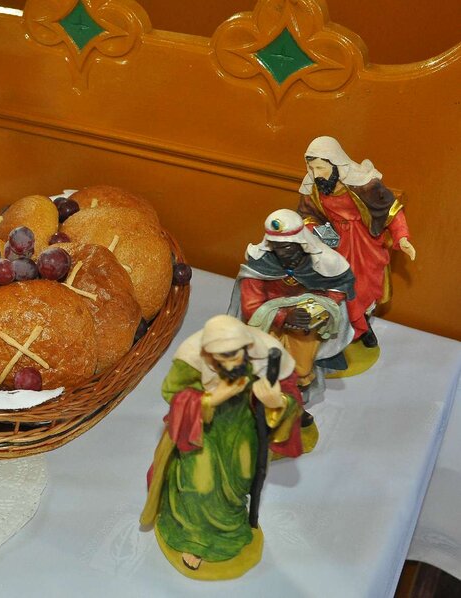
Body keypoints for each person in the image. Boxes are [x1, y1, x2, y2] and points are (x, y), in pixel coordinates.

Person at [140, 315, 303, 577]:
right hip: (200, 434)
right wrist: (211, 399)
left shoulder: (262, 359)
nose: (231, 363)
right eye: (222, 357)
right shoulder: (191, 361)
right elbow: (172, 394)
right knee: (200, 486)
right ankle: (195, 539)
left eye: (235, 355)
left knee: (241, 483)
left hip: (241, 431)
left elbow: (288, 395)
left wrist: (277, 401)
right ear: (209, 354)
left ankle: (228, 531)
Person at [297, 136, 416, 347]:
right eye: (312, 168)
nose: (316, 174)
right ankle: (340, 329)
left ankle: (363, 326)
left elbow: (391, 210)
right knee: (336, 289)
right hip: (334, 246)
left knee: (364, 289)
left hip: (365, 246)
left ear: (335, 163)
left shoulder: (364, 184)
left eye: (321, 168)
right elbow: (307, 216)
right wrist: (320, 231)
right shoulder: (313, 189)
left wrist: (402, 237)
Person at [229, 209, 355, 402]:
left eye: (286, 247)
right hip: (268, 322)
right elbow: (251, 306)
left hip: (305, 326)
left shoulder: (323, 261)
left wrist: (318, 309)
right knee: (262, 360)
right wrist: (284, 316)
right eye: (276, 246)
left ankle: (294, 397)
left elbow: (337, 288)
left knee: (301, 367)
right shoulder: (261, 264)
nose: (281, 253)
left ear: (300, 243)